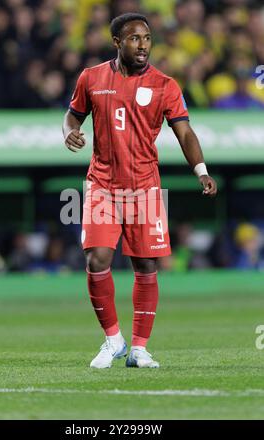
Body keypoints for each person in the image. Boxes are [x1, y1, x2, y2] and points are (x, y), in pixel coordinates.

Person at [63, 13, 217, 369]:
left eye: (147, 38)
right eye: (134, 38)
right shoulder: (91, 77)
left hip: (144, 187)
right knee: (96, 258)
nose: (143, 44)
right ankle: (112, 339)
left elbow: (185, 133)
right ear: (117, 42)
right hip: (102, 184)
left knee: (146, 264)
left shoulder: (165, 85)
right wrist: (68, 131)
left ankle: (139, 348)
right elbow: (72, 115)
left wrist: (201, 171)